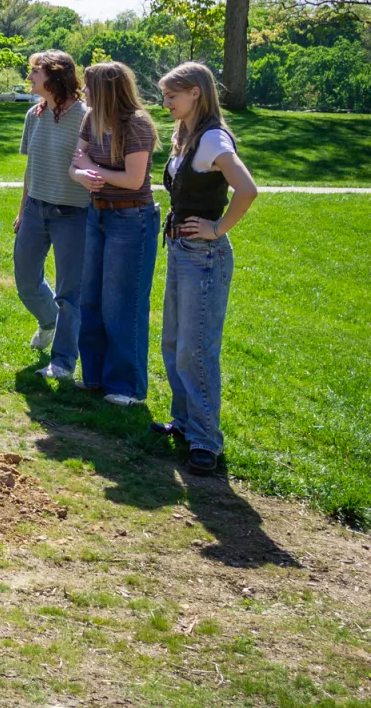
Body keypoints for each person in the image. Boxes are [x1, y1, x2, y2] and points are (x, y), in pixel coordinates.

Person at [153, 62, 258, 475]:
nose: (166, 104)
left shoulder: (213, 138)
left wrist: (217, 228)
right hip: (181, 251)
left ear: (196, 92)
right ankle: (183, 422)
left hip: (204, 256)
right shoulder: (186, 136)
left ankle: (205, 441)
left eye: (171, 96)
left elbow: (247, 189)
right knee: (174, 342)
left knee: (196, 348)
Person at [70, 61, 161, 407]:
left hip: (131, 218)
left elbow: (134, 180)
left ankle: (127, 388)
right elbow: (73, 164)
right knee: (90, 299)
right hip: (98, 214)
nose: (84, 92)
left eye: (89, 86)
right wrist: (81, 176)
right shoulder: (91, 119)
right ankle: (94, 378)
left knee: (121, 303)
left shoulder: (136, 124)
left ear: (107, 89)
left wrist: (92, 169)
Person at [14, 50, 91, 380]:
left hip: (72, 214)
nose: (30, 77)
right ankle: (49, 322)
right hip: (35, 209)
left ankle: (62, 362)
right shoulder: (34, 114)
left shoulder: (86, 117)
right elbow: (31, 168)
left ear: (55, 76)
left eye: (35, 72)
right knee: (26, 281)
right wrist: (22, 211)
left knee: (68, 293)